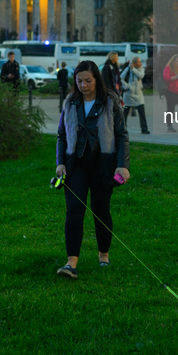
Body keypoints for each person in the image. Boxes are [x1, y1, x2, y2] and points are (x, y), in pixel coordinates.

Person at [55, 60, 130, 279]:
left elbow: (122, 135)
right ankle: (71, 264)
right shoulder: (70, 102)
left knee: (101, 210)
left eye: (88, 80)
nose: (83, 85)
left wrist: (122, 165)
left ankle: (103, 255)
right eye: (79, 81)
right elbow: (61, 135)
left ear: (96, 79)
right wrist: (60, 162)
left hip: (103, 165)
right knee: (74, 211)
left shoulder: (110, 102)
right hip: (75, 164)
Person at [122, 56, 150, 134]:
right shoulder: (127, 69)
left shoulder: (141, 69)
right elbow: (121, 78)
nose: (140, 63)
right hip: (129, 94)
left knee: (142, 112)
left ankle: (144, 129)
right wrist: (127, 86)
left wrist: (133, 69)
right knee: (125, 113)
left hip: (138, 94)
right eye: (138, 62)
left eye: (140, 62)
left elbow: (140, 76)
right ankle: (123, 128)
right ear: (134, 63)